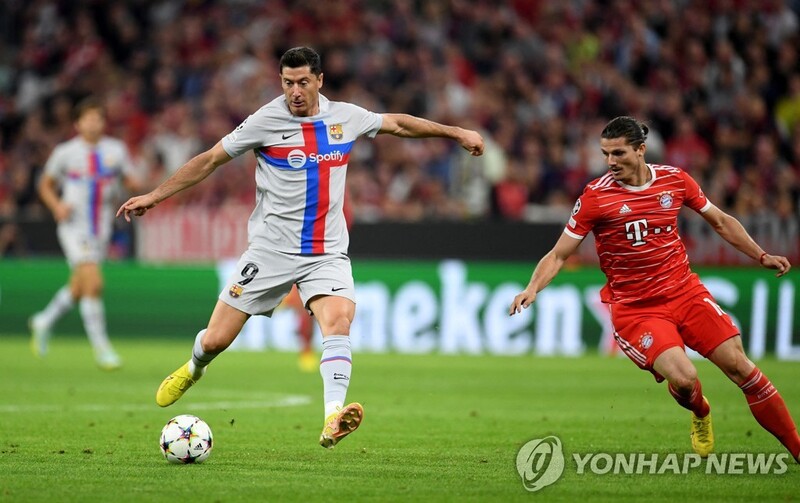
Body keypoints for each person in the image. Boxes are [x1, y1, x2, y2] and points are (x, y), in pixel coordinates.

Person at [117, 46, 484, 448]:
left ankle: (332, 417)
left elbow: (399, 124)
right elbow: (208, 161)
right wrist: (155, 195)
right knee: (216, 340)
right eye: (288, 82)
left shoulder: (346, 117)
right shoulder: (264, 121)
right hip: (269, 252)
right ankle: (194, 367)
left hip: (325, 252)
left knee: (339, 321)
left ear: (319, 80)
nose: (295, 91)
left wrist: (457, 133)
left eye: (303, 82)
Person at [509, 116, 800, 462]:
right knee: (686, 378)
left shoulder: (675, 181)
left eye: (618, 153)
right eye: (605, 154)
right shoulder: (595, 198)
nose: (610, 162)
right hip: (637, 309)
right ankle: (701, 411)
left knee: (742, 367)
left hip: (685, 293)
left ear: (641, 149)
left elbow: (720, 221)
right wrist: (532, 288)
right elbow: (559, 254)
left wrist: (761, 255)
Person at [30, 97, 141, 370]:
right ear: (78, 123)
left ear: (104, 122)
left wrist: (136, 188)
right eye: (88, 118)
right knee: (94, 282)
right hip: (74, 226)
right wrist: (56, 206)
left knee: (80, 287)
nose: (94, 123)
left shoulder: (116, 150)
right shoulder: (66, 152)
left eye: (98, 118)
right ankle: (103, 349)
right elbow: (45, 184)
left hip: (101, 226)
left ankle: (43, 321)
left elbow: (130, 181)